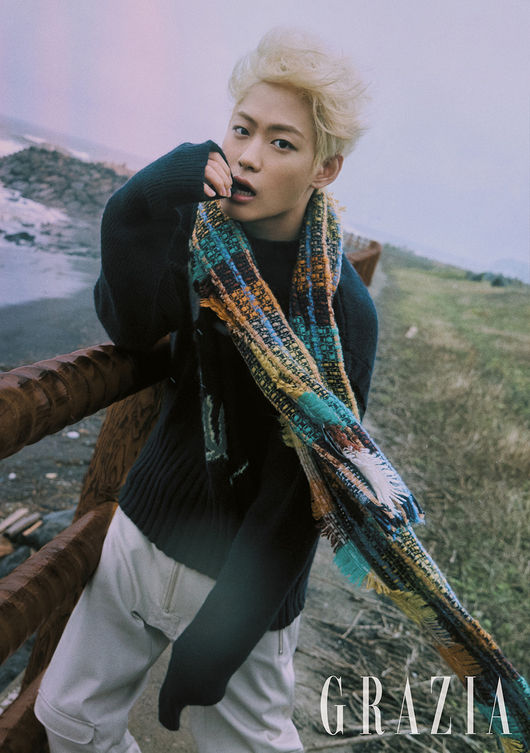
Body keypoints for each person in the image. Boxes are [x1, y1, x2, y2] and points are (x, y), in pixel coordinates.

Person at [34, 28, 378, 753]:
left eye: (282, 143)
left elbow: (305, 487)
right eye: (242, 129)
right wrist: (137, 204)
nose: (248, 155)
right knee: (68, 717)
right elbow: (132, 326)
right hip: (143, 531)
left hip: (243, 581)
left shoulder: (342, 310)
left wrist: (223, 634)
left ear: (325, 168)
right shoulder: (205, 239)